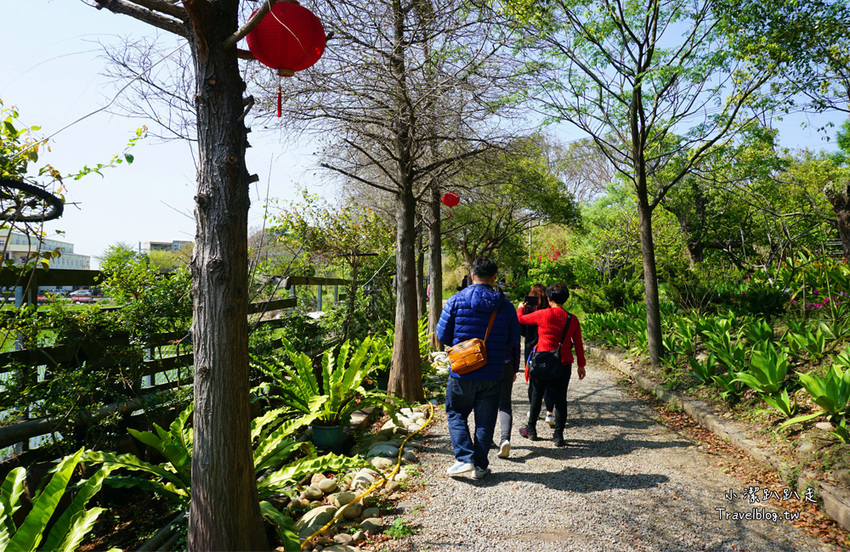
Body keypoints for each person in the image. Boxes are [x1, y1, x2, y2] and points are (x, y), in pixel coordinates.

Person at [437, 257, 520, 479]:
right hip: (493, 371)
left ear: (471, 275)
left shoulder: (456, 300)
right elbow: (513, 340)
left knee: (456, 412)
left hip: (462, 370)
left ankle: (464, 459)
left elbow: (442, 335)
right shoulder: (506, 306)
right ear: (494, 278)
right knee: (486, 418)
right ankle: (481, 465)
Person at [516, 283, 586, 447]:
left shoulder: (543, 314)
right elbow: (579, 344)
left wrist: (520, 307)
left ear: (549, 298)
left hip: (543, 361)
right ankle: (558, 436)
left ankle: (531, 429)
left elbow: (520, 319)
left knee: (536, 395)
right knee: (561, 399)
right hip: (564, 362)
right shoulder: (572, 319)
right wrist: (581, 365)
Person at [521, 284, 556, 427]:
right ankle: (549, 412)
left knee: (533, 380)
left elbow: (521, 328)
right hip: (547, 347)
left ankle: (532, 410)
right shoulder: (550, 311)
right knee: (550, 381)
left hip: (531, 348)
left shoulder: (528, 311)